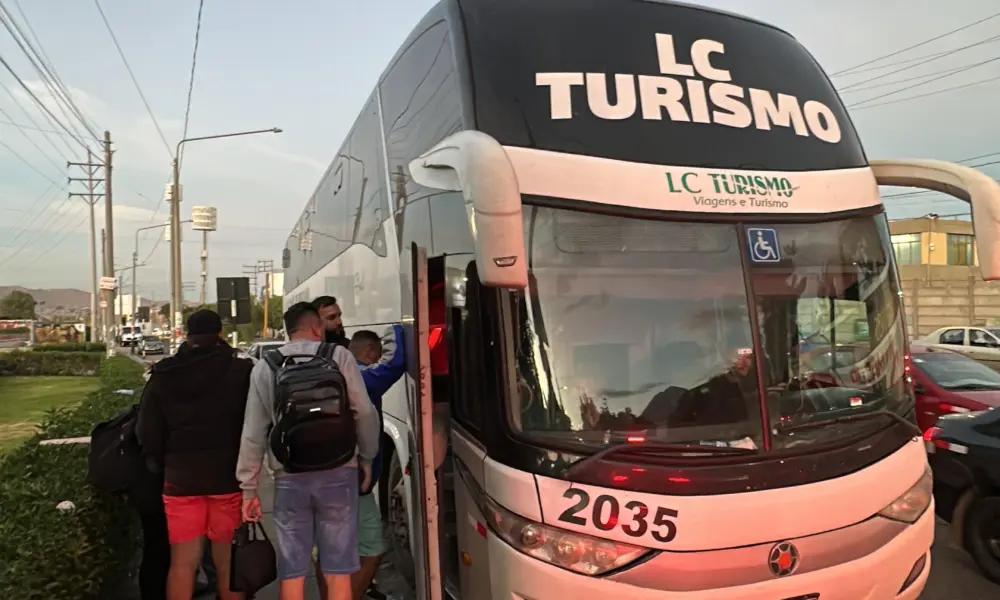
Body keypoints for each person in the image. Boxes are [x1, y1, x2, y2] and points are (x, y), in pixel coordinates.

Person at [237, 302, 381, 600]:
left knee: (294, 571)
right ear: (317, 327)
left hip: (289, 477)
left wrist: (249, 489)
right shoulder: (339, 356)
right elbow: (364, 413)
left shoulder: (266, 367)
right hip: (340, 474)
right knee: (338, 570)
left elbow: (253, 433)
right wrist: (366, 457)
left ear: (288, 331)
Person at [137, 309, 253, 600]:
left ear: (187, 336)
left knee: (182, 564)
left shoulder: (163, 374)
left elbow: (146, 432)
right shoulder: (239, 372)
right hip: (227, 478)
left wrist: (163, 461)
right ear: (220, 335)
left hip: (180, 481)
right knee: (227, 564)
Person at [315, 327, 406, 600]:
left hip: (322, 477)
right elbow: (397, 362)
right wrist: (402, 325)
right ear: (368, 352)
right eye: (376, 354)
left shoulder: (330, 373)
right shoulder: (363, 376)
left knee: (329, 551)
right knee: (373, 548)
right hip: (352, 482)